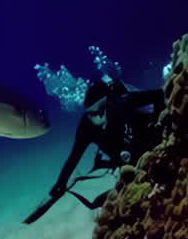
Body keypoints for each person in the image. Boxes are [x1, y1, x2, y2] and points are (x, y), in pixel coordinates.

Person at [24, 80, 164, 223]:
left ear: (108, 103)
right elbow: (73, 158)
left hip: (143, 140)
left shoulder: (122, 102)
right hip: (120, 157)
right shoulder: (85, 127)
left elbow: (160, 94)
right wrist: (59, 186)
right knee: (102, 197)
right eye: (91, 113)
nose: (97, 118)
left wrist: (158, 122)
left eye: (101, 110)